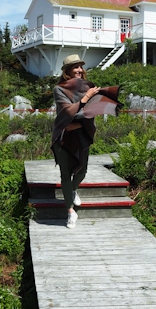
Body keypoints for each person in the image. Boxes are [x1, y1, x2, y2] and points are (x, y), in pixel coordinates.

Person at [51, 54, 121, 229]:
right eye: (75, 67)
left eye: (80, 67)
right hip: (64, 137)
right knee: (65, 175)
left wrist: (96, 105)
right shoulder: (59, 89)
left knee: (82, 171)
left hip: (82, 135)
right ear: (67, 71)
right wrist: (86, 101)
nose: (79, 70)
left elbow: (90, 110)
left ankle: (72, 190)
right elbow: (68, 113)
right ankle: (70, 212)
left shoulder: (88, 87)